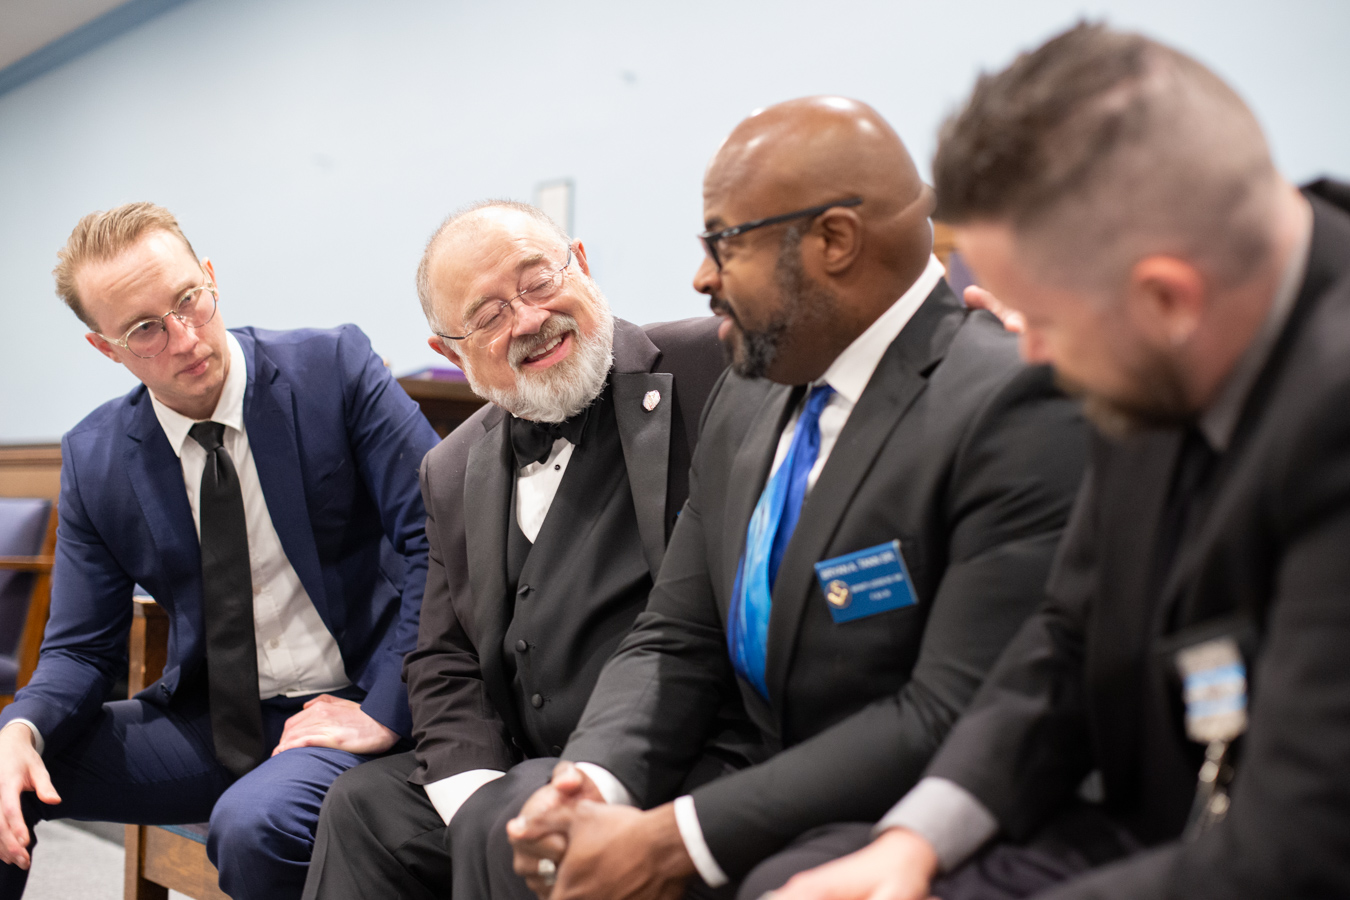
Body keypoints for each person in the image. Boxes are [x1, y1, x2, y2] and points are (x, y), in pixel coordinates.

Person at [770, 24, 1350, 900]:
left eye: (1042, 318)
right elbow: (1067, 632)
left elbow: (1298, 851)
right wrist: (913, 843)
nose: (1029, 354)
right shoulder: (1155, 350)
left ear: (1166, 299)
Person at [489, 96, 1088, 900]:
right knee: (523, 822)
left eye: (723, 244)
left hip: (913, 806)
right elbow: (677, 637)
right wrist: (593, 786)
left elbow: (944, 710)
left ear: (833, 241)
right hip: (751, 772)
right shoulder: (748, 391)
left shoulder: (1007, 402)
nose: (700, 277)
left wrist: (674, 838)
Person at [301, 200, 757, 900]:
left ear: (580, 262)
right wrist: (475, 788)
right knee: (364, 808)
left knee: (517, 820)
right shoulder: (449, 468)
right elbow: (442, 654)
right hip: (520, 763)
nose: (528, 319)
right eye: (486, 316)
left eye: (539, 280)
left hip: (687, 754)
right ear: (448, 352)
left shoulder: (712, 365)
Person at [0, 202, 440, 899]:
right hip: (214, 722)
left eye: (188, 301)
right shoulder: (98, 456)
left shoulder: (333, 369)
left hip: (359, 699)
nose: (184, 338)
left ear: (209, 277)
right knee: (2, 775)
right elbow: (81, 650)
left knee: (252, 824)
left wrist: (386, 707)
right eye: (145, 329)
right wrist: (21, 725)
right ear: (105, 349)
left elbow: (440, 537)